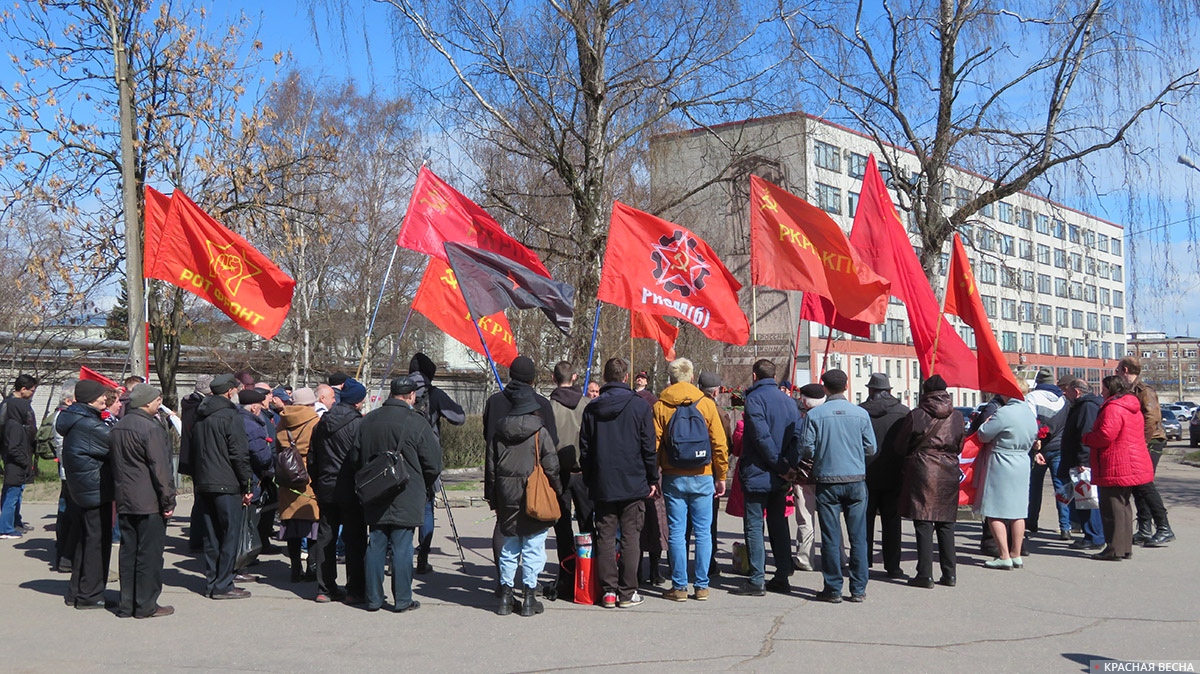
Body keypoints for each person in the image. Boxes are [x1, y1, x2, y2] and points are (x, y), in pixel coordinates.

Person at [353, 376, 443, 613]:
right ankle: (402, 599)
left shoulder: (368, 420)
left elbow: (355, 457)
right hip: (407, 489)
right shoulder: (417, 422)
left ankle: (373, 598)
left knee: (376, 543)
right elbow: (433, 463)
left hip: (374, 489)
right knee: (403, 545)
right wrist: (424, 485)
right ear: (411, 396)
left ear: (391, 394)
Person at [579, 357, 658, 609]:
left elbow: (585, 450)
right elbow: (648, 446)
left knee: (605, 535)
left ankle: (609, 592)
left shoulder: (593, 407)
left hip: (604, 481)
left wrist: (590, 478)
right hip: (633, 480)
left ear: (605, 377)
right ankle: (627, 591)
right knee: (631, 536)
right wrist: (652, 478)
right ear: (625, 377)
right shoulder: (639, 406)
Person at [652, 357, 729, 603]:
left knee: (677, 531)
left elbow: (653, 445)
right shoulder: (705, 404)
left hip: (673, 475)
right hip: (703, 473)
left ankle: (679, 586)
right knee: (703, 531)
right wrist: (722, 475)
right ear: (692, 377)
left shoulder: (661, 405)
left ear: (671, 379)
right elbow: (719, 443)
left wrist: (653, 475)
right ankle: (702, 586)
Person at [797, 369, 875, 603]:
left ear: (825, 388)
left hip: (827, 479)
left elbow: (807, 449)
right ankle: (858, 588)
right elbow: (871, 448)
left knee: (830, 536)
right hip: (855, 479)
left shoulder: (815, 415)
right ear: (846, 386)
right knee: (858, 536)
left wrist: (823, 453)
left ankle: (833, 588)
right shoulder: (860, 414)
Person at [486, 376, 562, 616]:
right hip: (534, 495)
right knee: (533, 546)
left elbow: (491, 469)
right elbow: (552, 466)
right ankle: (529, 597)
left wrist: (493, 499)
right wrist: (558, 491)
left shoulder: (498, 432)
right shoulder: (540, 432)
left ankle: (506, 597)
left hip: (506, 495)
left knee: (509, 545)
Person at [731, 359, 798, 597]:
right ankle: (782, 575)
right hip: (779, 474)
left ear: (754, 376)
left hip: (759, 471)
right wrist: (787, 466)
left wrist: (780, 464)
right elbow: (795, 437)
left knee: (754, 526)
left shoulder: (755, 400)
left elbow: (761, 437)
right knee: (779, 525)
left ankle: (757, 579)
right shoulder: (789, 402)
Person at [110, 384, 176, 619]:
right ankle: (146, 604)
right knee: (149, 554)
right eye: (157, 399)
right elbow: (161, 469)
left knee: (129, 553)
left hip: (126, 499)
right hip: (149, 501)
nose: (159, 403)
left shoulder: (119, 426)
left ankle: (127, 604)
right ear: (147, 403)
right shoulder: (150, 428)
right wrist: (168, 501)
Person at [894, 375, 964, 588]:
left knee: (924, 521)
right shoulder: (958, 416)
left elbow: (899, 445)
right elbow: (960, 444)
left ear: (924, 392)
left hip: (923, 469)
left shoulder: (917, 415)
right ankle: (949, 574)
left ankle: (925, 574)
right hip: (949, 470)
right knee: (946, 523)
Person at [190, 373, 254, 600]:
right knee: (229, 535)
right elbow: (239, 454)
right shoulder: (230, 416)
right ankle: (223, 584)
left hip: (205, 482)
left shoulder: (200, 416)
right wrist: (247, 483)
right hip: (226, 483)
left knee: (212, 536)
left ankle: (212, 582)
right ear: (229, 392)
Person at [1082, 376, 1155, 561]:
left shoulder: (1113, 408)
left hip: (1115, 463)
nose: (1101, 392)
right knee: (1123, 506)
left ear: (1111, 389)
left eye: (1104, 388)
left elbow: (1106, 435)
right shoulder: (1131, 406)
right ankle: (1124, 547)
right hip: (1131, 462)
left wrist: (1087, 438)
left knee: (1112, 508)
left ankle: (1114, 549)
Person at [310, 378, 369, 604]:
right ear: (358, 402)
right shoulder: (358, 425)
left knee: (326, 536)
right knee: (355, 538)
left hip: (326, 485)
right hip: (350, 486)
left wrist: (317, 482)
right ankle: (355, 590)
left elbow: (313, 457)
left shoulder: (321, 424)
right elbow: (361, 458)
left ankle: (324, 588)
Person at [56, 379, 114, 608]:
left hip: (83, 489)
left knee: (84, 540)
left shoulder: (78, 419)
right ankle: (90, 595)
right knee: (96, 543)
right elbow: (117, 442)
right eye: (102, 396)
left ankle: (77, 591)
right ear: (91, 398)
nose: (105, 399)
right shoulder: (88, 424)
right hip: (94, 490)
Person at [408, 352, 465, 575]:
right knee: (426, 508)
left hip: (401, 457)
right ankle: (422, 559)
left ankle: (396, 558)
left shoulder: (398, 389)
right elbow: (459, 418)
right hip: (426, 459)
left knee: (400, 508)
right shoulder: (434, 394)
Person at [975, 380, 1039, 570]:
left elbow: (983, 435)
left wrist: (984, 424)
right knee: (1018, 511)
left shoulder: (1004, 413)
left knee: (994, 510)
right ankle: (1016, 553)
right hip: (1022, 461)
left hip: (1002, 461)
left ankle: (1003, 554)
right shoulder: (1029, 412)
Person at [1116, 357, 1174, 547]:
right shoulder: (1129, 390)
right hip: (1139, 442)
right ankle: (1144, 529)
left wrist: (1141, 441)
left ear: (1125, 370)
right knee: (1137, 485)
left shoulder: (1145, 391)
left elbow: (1152, 417)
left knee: (1145, 484)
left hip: (1152, 442)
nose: (1116, 374)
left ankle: (1164, 528)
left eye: (1117, 371)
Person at [548, 360, 594, 593]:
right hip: (583, 472)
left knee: (563, 527)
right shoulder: (587, 405)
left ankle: (567, 576)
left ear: (553, 378)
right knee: (587, 525)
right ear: (574, 377)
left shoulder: (549, 408)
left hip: (559, 473)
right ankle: (588, 575)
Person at [859, 372, 910, 580]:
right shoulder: (904, 412)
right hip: (894, 473)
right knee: (892, 521)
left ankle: (864, 561)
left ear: (871, 391)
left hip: (866, 472)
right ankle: (892, 565)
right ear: (889, 391)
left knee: (864, 520)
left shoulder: (861, 412)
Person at [276, 387, 320, 583]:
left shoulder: (282, 421)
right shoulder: (315, 422)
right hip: (308, 476)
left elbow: (277, 449)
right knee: (313, 524)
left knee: (291, 524)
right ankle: (312, 567)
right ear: (311, 403)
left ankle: (295, 568)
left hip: (287, 476)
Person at [1059, 378, 1106, 551]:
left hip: (1083, 463)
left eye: (1068, 391)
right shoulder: (1082, 406)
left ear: (1077, 392)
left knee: (1088, 500)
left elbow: (1085, 435)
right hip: (1079, 461)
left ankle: (1094, 536)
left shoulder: (1087, 407)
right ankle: (1090, 534)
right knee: (1083, 499)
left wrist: (1082, 460)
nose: (1066, 394)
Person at [1026, 369, 1072, 540]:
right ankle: (1065, 527)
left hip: (1039, 450)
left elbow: (1030, 423)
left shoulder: (1032, 397)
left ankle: (1031, 521)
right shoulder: (1064, 399)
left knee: (1034, 487)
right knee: (1061, 487)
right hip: (1059, 448)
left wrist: (1035, 444)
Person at [697, 371, 732, 578]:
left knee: (682, 524)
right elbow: (723, 445)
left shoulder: (686, 405)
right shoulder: (717, 411)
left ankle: (678, 565)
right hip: (708, 471)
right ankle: (708, 564)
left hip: (679, 470)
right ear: (716, 391)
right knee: (708, 523)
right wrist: (721, 476)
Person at [239, 388, 278, 563]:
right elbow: (262, 456)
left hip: (244, 475)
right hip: (253, 476)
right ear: (254, 407)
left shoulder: (237, 419)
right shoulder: (253, 425)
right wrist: (271, 466)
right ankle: (246, 557)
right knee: (250, 519)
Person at [42, 381, 77, 569]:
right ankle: (66, 556)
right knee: (69, 515)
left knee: (66, 513)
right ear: (69, 400)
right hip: (70, 472)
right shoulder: (63, 417)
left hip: (69, 471)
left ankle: (65, 554)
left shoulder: (65, 416)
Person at [1, 374, 39, 540]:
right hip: (14, 456)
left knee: (16, 492)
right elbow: (6, 437)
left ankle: (14, 521)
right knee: (12, 493)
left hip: (20, 453)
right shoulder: (9, 408)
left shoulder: (16, 409)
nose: (32, 394)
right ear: (23, 389)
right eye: (31, 390)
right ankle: (6, 526)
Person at [792, 383, 825, 573]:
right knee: (831, 518)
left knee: (805, 518)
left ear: (805, 400)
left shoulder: (805, 418)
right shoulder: (830, 415)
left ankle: (805, 558)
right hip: (829, 473)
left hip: (805, 474)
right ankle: (839, 556)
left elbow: (802, 447)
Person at [180, 375, 212, 553]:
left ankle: (197, 537)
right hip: (198, 459)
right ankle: (198, 538)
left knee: (199, 499)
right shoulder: (198, 407)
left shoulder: (190, 403)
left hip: (193, 458)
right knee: (201, 500)